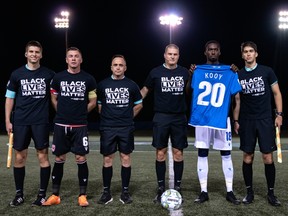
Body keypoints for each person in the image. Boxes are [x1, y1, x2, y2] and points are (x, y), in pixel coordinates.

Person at [187, 40, 241, 205]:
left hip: (221, 118)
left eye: (215, 49)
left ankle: (230, 191)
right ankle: (204, 191)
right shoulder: (197, 71)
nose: (212, 52)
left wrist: (236, 119)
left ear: (219, 52)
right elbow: (188, 91)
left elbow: (236, 98)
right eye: (210, 49)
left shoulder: (230, 71)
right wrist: (190, 75)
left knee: (226, 154)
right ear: (205, 52)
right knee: (202, 153)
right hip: (203, 118)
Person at [42, 47, 97, 207]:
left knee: (80, 158)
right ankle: (55, 195)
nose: (73, 59)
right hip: (61, 124)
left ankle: (82, 195)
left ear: (81, 59)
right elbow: (53, 97)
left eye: (76, 56)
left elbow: (93, 101)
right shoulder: (58, 77)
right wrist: (61, 111)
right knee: (59, 158)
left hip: (80, 125)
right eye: (70, 56)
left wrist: (81, 112)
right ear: (66, 59)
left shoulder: (89, 79)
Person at [5, 40, 55, 207]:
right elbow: (9, 98)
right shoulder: (16, 74)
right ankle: (19, 195)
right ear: (26, 54)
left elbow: (57, 97)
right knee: (20, 158)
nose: (34, 54)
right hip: (20, 122)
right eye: (31, 52)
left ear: (41, 55)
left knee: (43, 156)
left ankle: (42, 194)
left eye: (37, 52)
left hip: (40, 122)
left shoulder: (49, 75)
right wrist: (7, 120)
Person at [233, 41, 282, 206]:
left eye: (251, 51)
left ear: (256, 54)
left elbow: (277, 93)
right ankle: (249, 192)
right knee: (248, 156)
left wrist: (279, 114)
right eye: (245, 51)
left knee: (267, 157)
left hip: (265, 120)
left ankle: (271, 194)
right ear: (242, 55)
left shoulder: (267, 71)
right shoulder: (238, 75)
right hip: (247, 121)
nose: (248, 54)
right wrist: (236, 120)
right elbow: (237, 101)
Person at [140, 44, 189, 203]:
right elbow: (145, 90)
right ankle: (161, 186)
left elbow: (192, 91)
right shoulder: (155, 72)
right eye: (170, 54)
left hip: (179, 117)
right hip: (161, 116)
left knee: (178, 153)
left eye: (175, 54)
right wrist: (131, 102)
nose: (172, 56)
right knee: (160, 152)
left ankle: (178, 186)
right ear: (164, 55)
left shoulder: (184, 72)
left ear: (178, 56)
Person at [96, 54, 143, 205]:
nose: (118, 67)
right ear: (111, 67)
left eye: (121, 65)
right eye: (115, 65)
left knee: (125, 157)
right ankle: (106, 192)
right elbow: (99, 105)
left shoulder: (131, 85)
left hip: (126, 127)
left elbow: (139, 104)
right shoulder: (102, 84)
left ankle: (125, 192)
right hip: (107, 127)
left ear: (125, 68)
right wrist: (108, 117)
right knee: (108, 158)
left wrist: (128, 117)